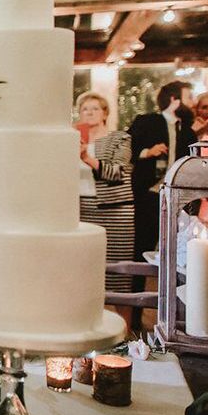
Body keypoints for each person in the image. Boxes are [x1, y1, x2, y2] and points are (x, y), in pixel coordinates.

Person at [129, 80, 197, 262]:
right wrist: (147, 152)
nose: (193, 102)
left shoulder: (188, 132)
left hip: (177, 196)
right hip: (148, 192)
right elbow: (125, 148)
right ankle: (137, 287)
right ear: (175, 99)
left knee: (178, 245)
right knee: (143, 242)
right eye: (189, 97)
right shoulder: (147, 122)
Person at [76, 92, 135, 300]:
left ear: (105, 113)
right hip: (81, 211)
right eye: (84, 109)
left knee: (117, 276)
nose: (89, 113)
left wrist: (86, 157)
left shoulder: (119, 138)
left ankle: (126, 330)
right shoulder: (72, 140)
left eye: (94, 108)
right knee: (83, 271)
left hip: (115, 212)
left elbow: (118, 172)